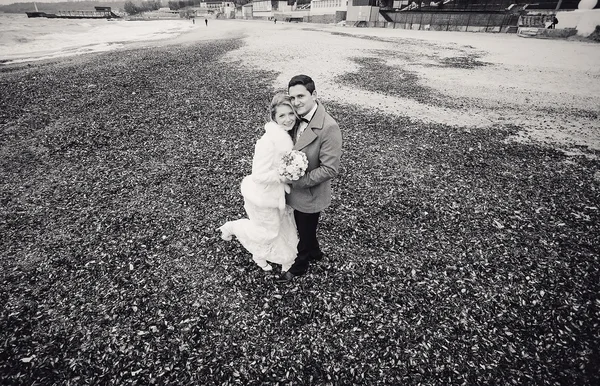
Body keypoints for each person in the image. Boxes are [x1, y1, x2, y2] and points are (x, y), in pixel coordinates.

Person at [219, 94, 299, 273]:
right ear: (273, 118)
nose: (288, 119)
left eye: (291, 113)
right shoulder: (267, 142)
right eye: (282, 116)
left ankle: (286, 259)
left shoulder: (286, 136)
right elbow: (258, 175)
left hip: (278, 193)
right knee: (266, 233)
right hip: (263, 196)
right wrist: (284, 175)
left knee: (284, 226)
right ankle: (232, 227)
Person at [277, 75, 342, 283]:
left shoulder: (329, 127)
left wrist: (297, 181)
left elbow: (330, 169)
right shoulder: (296, 116)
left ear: (314, 95)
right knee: (305, 227)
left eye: (301, 96)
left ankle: (300, 265)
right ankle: (315, 252)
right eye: (292, 97)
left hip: (310, 192)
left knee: (303, 229)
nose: (296, 102)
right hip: (295, 190)